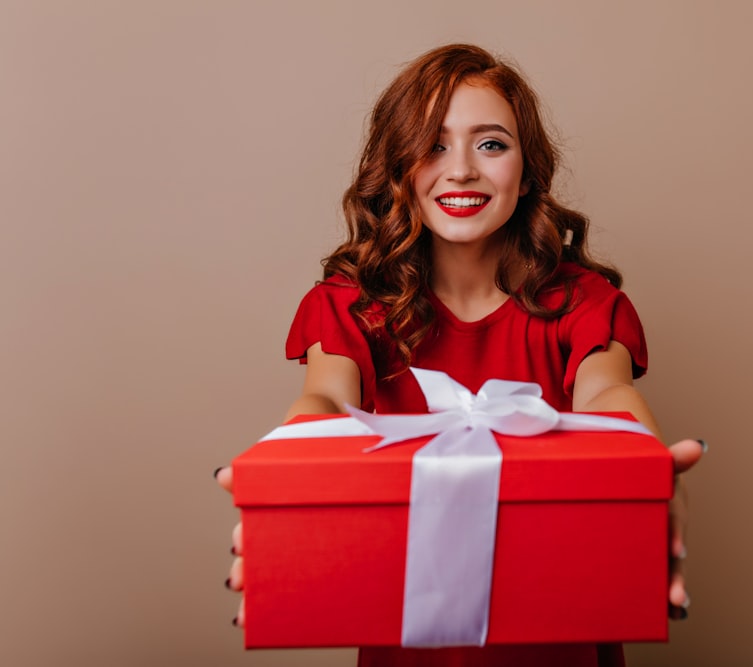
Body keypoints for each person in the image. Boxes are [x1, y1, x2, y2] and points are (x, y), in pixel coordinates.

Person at [215, 43, 706, 667]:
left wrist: (645, 470)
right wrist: (284, 485)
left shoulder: (584, 301)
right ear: (398, 167)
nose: (462, 171)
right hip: (411, 645)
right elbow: (323, 399)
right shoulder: (349, 305)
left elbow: (607, 392)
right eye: (434, 144)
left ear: (526, 171)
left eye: (491, 144)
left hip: (559, 640)